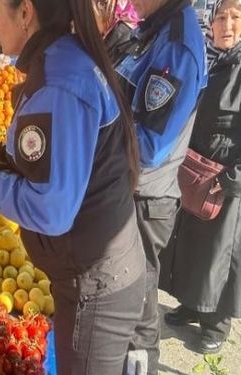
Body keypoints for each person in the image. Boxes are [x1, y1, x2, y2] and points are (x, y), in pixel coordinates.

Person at [0, 0, 146, 373]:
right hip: (97, 271)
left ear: (25, 13)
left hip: (96, 284)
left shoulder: (60, 83)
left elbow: (51, 210)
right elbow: (63, 156)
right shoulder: (66, 60)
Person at [113, 0, 208, 373]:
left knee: (136, 310)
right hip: (128, 191)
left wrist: (93, 141)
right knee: (123, 303)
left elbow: (149, 145)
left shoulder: (176, 45)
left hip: (145, 200)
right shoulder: (150, 28)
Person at [162, 0, 241, 355]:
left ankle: (217, 323)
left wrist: (232, 178)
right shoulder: (207, 60)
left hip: (226, 179)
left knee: (218, 252)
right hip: (195, 169)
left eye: (236, 17)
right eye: (221, 16)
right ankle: (192, 305)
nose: (227, 24)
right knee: (190, 241)